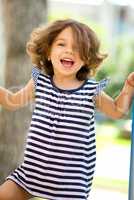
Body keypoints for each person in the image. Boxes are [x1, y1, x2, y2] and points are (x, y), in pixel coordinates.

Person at [0, 18, 134, 200]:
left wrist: (128, 88)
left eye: (78, 48)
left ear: (87, 58)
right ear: (48, 52)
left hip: (70, 183)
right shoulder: (40, 81)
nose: (70, 50)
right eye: (61, 44)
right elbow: (12, 101)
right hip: (30, 175)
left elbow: (118, 111)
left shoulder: (90, 90)